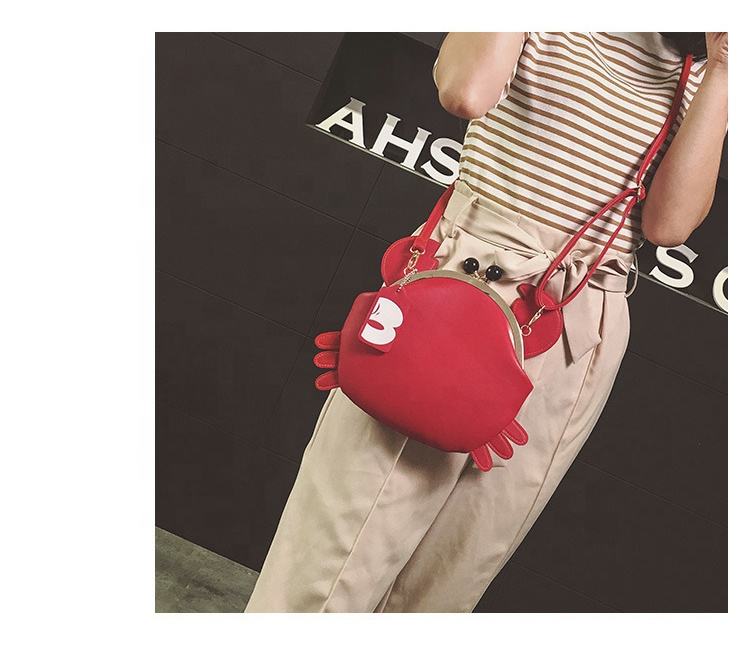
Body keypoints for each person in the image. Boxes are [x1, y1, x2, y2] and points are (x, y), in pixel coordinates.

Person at [245, 32, 728, 613]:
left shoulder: (702, 69)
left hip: (580, 323)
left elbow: (669, 225)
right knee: (333, 560)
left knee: (452, 574)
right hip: (469, 278)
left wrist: (725, 69)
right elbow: (465, 91)